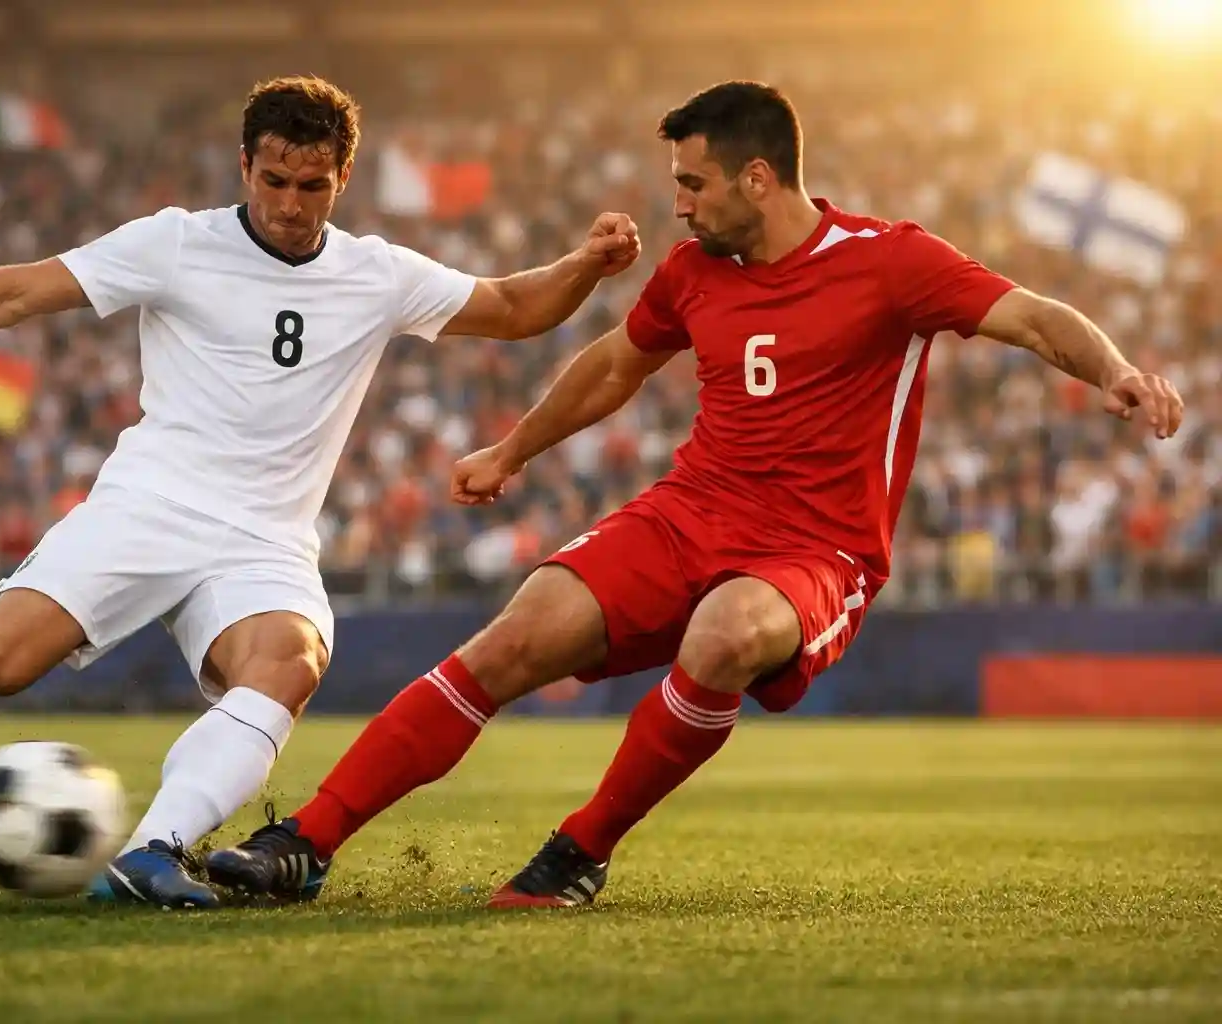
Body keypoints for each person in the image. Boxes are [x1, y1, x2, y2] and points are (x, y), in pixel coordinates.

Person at [204, 80, 1185, 908]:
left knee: (724, 634)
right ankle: (305, 842)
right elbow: (614, 366)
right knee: (513, 638)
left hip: (818, 549)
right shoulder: (693, 271)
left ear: (757, 178)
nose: (678, 205)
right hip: (687, 514)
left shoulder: (890, 261)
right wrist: (513, 449)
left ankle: (581, 849)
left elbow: (1033, 316)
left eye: (692, 183)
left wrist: (1115, 371)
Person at [0, 75, 641, 909]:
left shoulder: (377, 273)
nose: (290, 204)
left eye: (312, 186)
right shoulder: (176, 243)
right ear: (244, 165)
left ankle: (155, 850)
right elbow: (17, 294)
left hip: (266, 541)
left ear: (343, 179)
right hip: (150, 506)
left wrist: (586, 263)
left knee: (288, 663)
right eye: (274, 180)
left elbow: (513, 307)